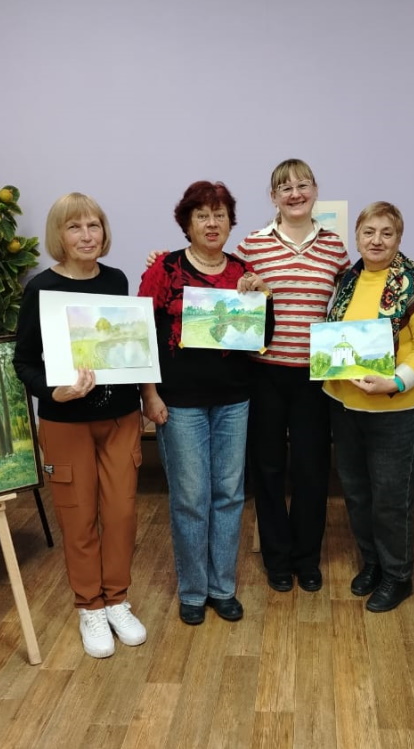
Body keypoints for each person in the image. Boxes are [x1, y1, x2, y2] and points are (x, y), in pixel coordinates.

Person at [13, 192, 146, 659]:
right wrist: (55, 392)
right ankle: (90, 605)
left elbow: (130, 343)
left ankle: (117, 599)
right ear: (60, 236)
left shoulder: (116, 280)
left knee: (122, 513)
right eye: (75, 227)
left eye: (94, 225)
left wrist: (147, 393)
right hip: (66, 422)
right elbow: (24, 362)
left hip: (121, 418)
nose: (87, 235)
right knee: (78, 516)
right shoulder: (40, 289)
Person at [139, 181, 273, 626]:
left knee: (229, 495)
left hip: (234, 400)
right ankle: (194, 591)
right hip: (179, 404)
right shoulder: (165, 269)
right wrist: (149, 394)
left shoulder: (243, 271)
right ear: (187, 223)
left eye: (219, 215)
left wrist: (264, 299)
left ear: (230, 222)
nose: (212, 223)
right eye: (202, 215)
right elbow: (143, 336)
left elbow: (262, 339)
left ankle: (223, 588)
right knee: (191, 499)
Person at [235, 159, 350, 593]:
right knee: (266, 470)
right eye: (285, 188)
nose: (295, 194)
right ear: (273, 197)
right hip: (263, 375)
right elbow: (222, 285)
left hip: (314, 379)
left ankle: (307, 557)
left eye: (303, 185)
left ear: (315, 190)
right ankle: (277, 558)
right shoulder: (252, 245)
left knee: (311, 470)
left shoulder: (334, 247)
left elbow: (351, 301)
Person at [325, 201, 414, 612]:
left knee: (391, 499)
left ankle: (398, 576)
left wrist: (396, 380)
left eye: (386, 233)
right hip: (345, 406)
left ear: (398, 238)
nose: (376, 240)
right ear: (357, 237)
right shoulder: (347, 279)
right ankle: (372, 563)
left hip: (396, 411)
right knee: (357, 494)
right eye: (369, 232)